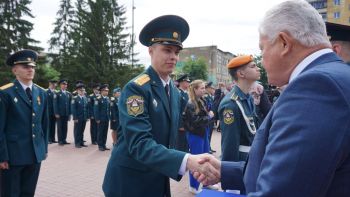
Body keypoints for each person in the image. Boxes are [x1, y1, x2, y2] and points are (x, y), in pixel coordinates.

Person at [195, 1, 350, 196]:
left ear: (284, 43)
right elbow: (301, 171)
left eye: (263, 48)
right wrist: (227, 171)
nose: (262, 60)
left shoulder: (315, 86)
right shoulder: (333, 77)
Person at [102, 15, 219, 197]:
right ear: (151, 51)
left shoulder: (171, 87)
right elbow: (140, 144)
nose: (173, 57)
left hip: (157, 176)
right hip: (130, 182)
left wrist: (190, 161)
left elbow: (171, 135)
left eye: (176, 52)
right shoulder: (137, 88)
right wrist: (187, 160)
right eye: (167, 50)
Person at [0, 49, 49, 197]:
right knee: (10, 193)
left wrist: (43, 148)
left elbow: (44, 123)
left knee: (28, 192)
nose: (30, 69)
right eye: (25, 66)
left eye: (32, 67)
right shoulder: (5, 93)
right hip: (13, 156)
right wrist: (2, 156)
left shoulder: (41, 93)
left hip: (34, 154)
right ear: (15, 70)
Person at [218, 55, 260, 164]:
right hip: (241, 162)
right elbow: (229, 145)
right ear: (241, 74)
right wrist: (230, 173)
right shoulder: (231, 104)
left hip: (251, 159)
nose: (258, 68)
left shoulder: (248, 98)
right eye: (253, 66)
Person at [182, 80, 215, 194]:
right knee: (197, 161)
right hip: (195, 134)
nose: (204, 90)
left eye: (204, 87)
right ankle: (194, 186)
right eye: (201, 88)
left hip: (202, 132)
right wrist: (209, 117)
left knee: (206, 159)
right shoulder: (191, 103)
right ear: (195, 89)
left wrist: (208, 116)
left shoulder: (201, 100)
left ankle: (205, 183)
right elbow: (196, 122)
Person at [53, 79, 72, 145]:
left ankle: (64, 139)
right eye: (63, 84)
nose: (65, 85)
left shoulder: (69, 94)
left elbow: (70, 104)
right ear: (60, 85)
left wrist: (70, 114)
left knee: (65, 127)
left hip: (66, 113)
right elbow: (55, 104)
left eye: (66, 84)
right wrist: (56, 113)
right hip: (60, 114)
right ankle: (60, 140)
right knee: (60, 127)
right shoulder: (57, 93)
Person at [71, 82, 89, 148]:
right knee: (77, 131)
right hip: (78, 118)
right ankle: (77, 143)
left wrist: (87, 117)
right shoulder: (75, 98)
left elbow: (87, 108)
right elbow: (73, 109)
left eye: (83, 90)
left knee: (82, 130)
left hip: (84, 117)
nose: (82, 91)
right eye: (81, 90)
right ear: (77, 91)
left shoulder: (85, 98)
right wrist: (75, 118)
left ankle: (81, 142)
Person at [176, 74, 190, 152]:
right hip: (181, 125)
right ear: (181, 82)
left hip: (187, 123)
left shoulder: (186, 93)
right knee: (180, 145)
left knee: (186, 144)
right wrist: (180, 124)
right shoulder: (178, 93)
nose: (188, 83)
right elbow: (178, 110)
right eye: (187, 81)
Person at [94, 84, 110, 151]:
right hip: (100, 119)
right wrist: (97, 118)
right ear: (101, 91)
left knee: (105, 132)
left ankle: (104, 144)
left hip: (106, 118)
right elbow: (96, 110)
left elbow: (108, 109)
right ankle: (100, 145)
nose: (107, 92)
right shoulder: (98, 99)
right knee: (100, 132)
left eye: (107, 90)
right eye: (105, 90)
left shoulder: (107, 99)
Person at [204, 81, 216, 153]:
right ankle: (207, 148)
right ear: (208, 88)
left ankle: (209, 147)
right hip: (207, 118)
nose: (213, 89)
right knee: (207, 134)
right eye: (212, 88)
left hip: (211, 118)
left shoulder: (209, 96)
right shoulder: (205, 96)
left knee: (210, 134)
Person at [47, 79, 58, 144]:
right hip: (48, 111)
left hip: (54, 112)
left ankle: (53, 138)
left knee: (53, 126)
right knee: (49, 126)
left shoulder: (56, 92)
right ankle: (48, 139)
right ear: (50, 84)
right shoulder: (46, 92)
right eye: (53, 84)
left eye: (55, 85)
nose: (55, 86)